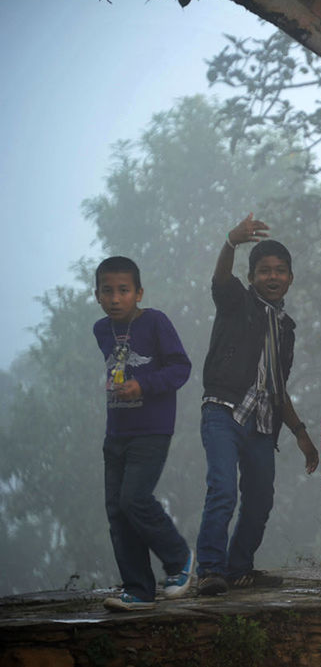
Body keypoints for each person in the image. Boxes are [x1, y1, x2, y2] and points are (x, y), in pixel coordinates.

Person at [195, 214, 319, 596]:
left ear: (291, 278)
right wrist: (230, 243)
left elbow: (278, 386)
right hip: (223, 410)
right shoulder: (237, 303)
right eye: (264, 270)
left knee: (261, 498)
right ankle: (210, 570)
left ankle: (239, 568)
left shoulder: (286, 328)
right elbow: (220, 281)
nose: (272, 276)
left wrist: (300, 432)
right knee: (222, 490)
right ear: (250, 278)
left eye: (280, 270)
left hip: (264, 424)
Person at [93, 256, 194, 611]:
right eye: (108, 291)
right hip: (116, 430)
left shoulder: (154, 322)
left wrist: (144, 386)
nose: (115, 298)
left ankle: (178, 557)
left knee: (134, 498)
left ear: (139, 293)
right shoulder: (101, 329)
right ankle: (138, 590)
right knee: (117, 511)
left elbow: (181, 368)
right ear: (97, 295)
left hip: (152, 429)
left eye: (123, 291)